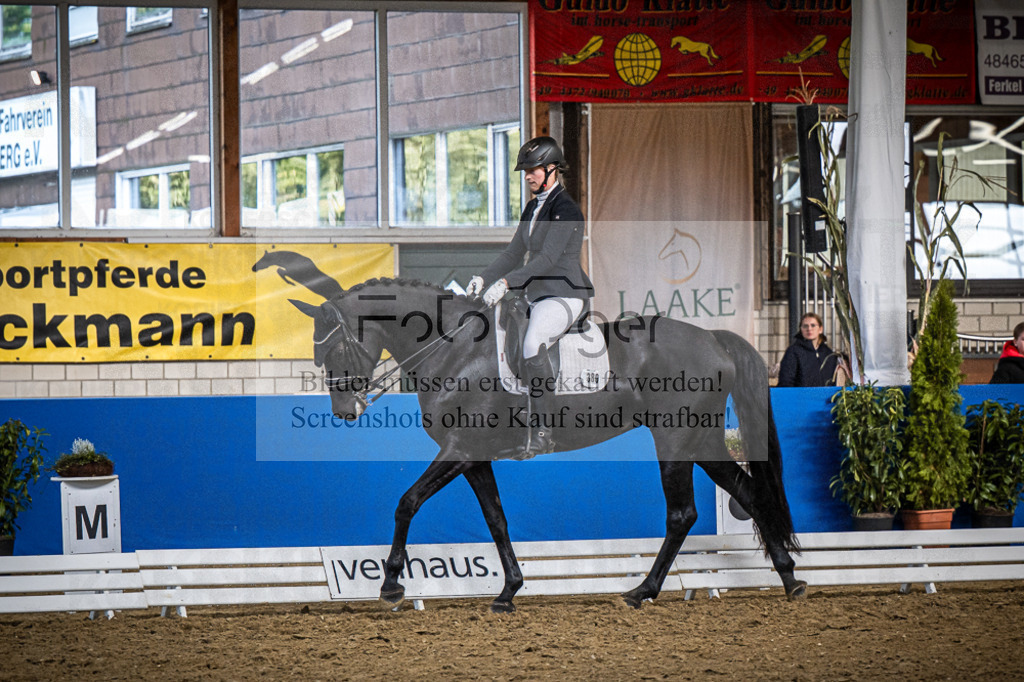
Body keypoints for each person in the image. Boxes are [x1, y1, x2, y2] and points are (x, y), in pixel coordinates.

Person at [466, 136, 594, 458]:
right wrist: (484, 278)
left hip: (564, 294)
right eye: (525, 171)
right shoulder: (533, 207)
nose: (527, 176)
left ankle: (543, 431)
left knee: (532, 341)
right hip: (536, 295)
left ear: (552, 169)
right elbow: (513, 253)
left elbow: (547, 260)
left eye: (533, 169)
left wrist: (507, 283)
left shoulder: (566, 210)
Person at [777, 312, 840, 387]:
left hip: (825, 397)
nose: (809, 329)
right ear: (801, 329)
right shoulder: (793, 352)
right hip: (801, 397)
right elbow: (786, 381)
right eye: (805, 326)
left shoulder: (829, 354)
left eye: (813, 325)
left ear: (820, 329)